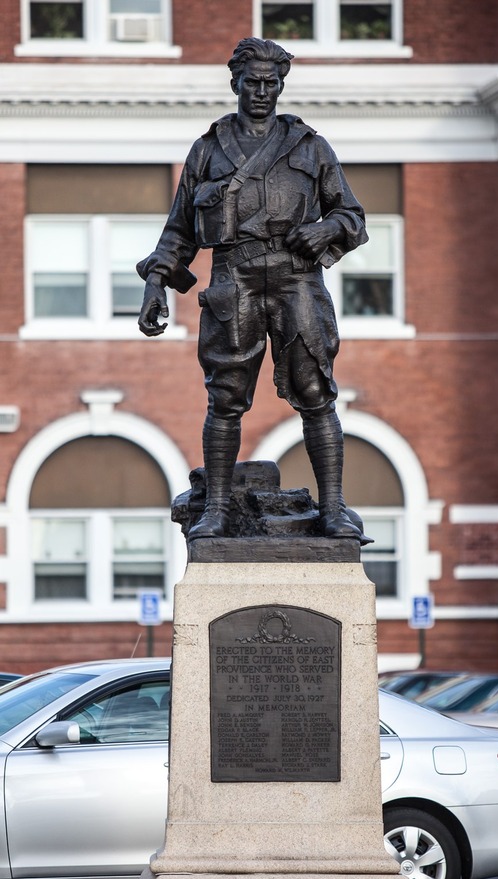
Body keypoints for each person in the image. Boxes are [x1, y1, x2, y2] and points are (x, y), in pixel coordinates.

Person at [137, 37, 368, 541]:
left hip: (297, 278)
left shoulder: (309, 145)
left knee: (316, 393)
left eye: (271, 82)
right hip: (234, 277)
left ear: (281, 84)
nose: (262, 91)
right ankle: (216, 509)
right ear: (235, 83)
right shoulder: (209, 148)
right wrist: (157, 281)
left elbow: (350, 213)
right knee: (225, 397)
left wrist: (327, 230)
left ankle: (333, 509)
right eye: (252, 82)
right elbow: (179, 228)